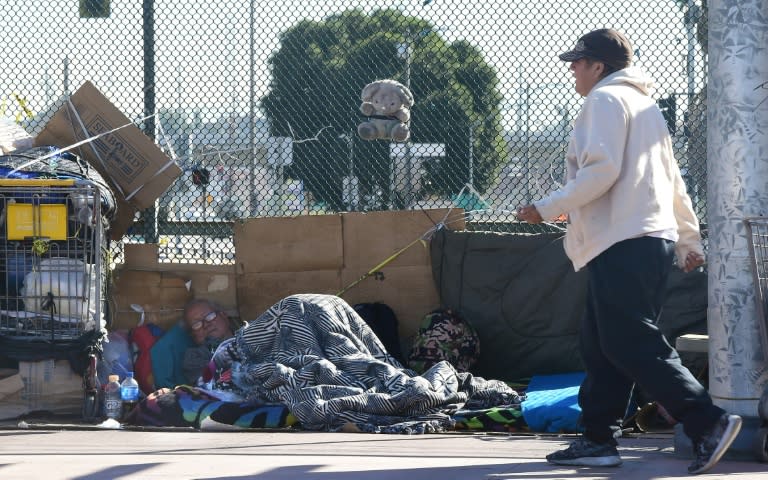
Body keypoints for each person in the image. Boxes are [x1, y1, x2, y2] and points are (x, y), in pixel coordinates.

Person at [516, 28, 742, 475]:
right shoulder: (645, 107)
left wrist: (546, 208)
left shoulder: (603, 100)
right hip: (647, 239)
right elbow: (672, 180)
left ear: (598, 66)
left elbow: (601, 172)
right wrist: (686, 239)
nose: (572, 70)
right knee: (601, 343)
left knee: (627, 340)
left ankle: (707, 421)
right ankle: (599, 439)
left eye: (578, 62)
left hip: (624, 238)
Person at [151, 299, 236, 389]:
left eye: (210, 316)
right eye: (197, 324)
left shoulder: (247, 334)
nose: (206, 324)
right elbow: (208, 384)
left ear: (223, 314)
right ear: (194, 336)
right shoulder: (195, 358)